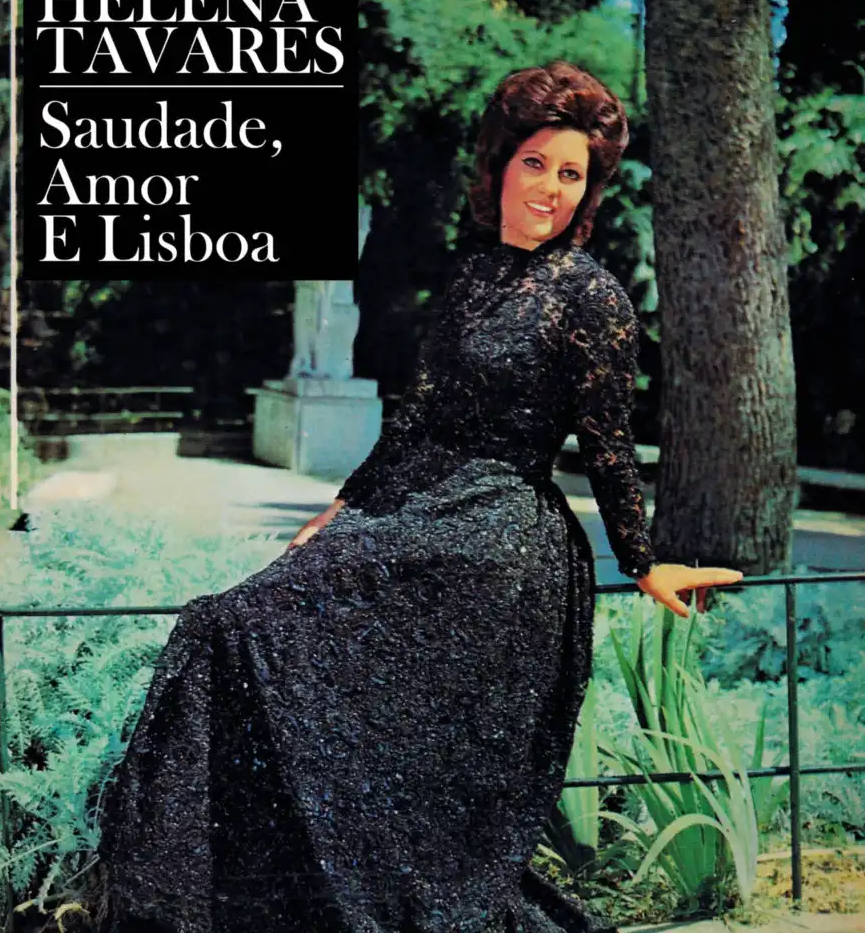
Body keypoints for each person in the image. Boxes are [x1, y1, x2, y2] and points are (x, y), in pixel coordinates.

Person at [96, 60, 743, 933]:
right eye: (535, 163)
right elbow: (419, 418)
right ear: (500, 164)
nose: (550, 189)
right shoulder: (472, 276)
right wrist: (343, 508)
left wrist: (642, 562)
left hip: (502, 546)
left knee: (286, 661)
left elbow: (610, 448)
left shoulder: (593, 298)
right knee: (229, 622)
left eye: (571, 173)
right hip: (423, 514)